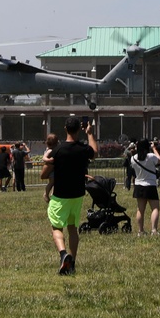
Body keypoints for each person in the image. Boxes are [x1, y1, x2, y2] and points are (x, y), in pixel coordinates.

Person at [41, 117, 97, 276]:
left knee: (57, 227)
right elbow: (95, 153)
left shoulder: (58, 150)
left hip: (60, 195)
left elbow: (44, 174)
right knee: (72, 228)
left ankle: (63, 254)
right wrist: (90, 134)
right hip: (77, 195)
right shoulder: (83, 149)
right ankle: (72, 262)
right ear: (80, 129)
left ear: (65, 128)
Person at [130, 139, 160, 236]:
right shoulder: (151, 156)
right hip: (150, 185)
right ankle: (154, 230)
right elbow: (159, 159)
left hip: (138, 185)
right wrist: (154, 148)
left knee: (140, 209)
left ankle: (140, 231)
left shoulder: (134, 158)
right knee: (155, 208)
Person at [42, 133, 59, 202]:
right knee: (52, 182)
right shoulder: (49, 150)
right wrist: (49, 160)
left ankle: (53, 194)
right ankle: (46, 194)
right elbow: (44, 158)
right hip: (51, 170)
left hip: (55, 169)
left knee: (55, 182)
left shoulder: (54, 149)